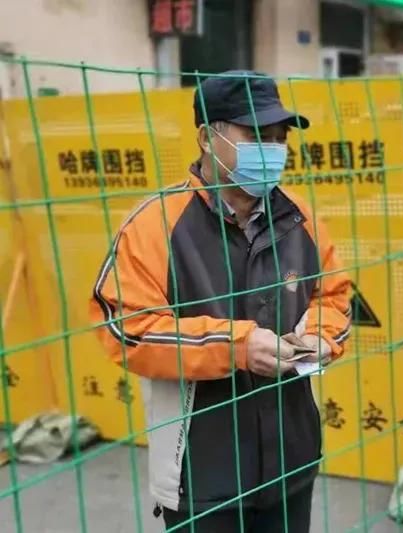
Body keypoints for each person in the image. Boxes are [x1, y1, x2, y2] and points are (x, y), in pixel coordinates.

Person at [89, 70, 352, 533]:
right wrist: (236, 346)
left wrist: (320, 337)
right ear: (207, 139)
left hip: (291, 462)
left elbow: (333, 298)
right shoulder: (153, 226)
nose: (273, 150)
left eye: (279, 137)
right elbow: (127, 330)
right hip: (200, 472)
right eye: (256, 136)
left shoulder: (300, 218)